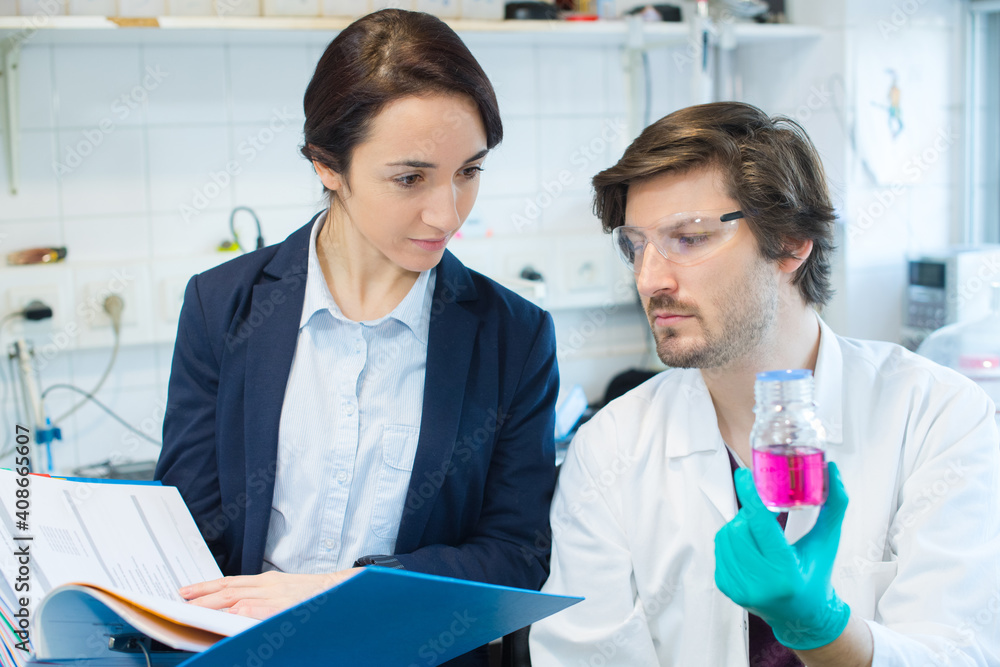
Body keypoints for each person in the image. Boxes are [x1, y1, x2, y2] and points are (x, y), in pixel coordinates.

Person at [529, 102, 1000, 666]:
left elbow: (959, 652)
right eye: (636, 245)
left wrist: (822, 631)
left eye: (690, 237)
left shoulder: (935, 417)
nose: (650, 279)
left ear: (792, 241)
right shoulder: (609, 449)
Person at [154, 10, 558, 666]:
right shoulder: (220, 305)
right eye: (410, 178)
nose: (448, 212)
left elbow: (516, 553)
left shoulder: (514, 335)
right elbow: (186, 529)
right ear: (328, 166)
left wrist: (341, 590)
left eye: (470, 171)